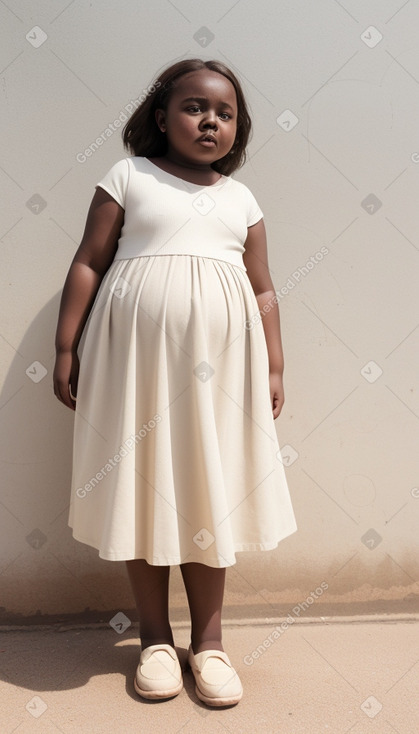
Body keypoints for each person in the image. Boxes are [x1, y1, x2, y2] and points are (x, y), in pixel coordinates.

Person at [53, 58, 297, 707]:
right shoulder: (128, 176)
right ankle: (155, 641)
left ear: (237, 129)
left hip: (223, 375)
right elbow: (88, 261)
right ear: (160, 117)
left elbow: (263, 286)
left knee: (209, 493)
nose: (209, 120)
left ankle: (209, 644)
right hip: (135, 367)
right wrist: (64, 344)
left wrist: (273, 363)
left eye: (224, 112)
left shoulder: (240, 198)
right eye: (194, 107)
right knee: (143, 490)